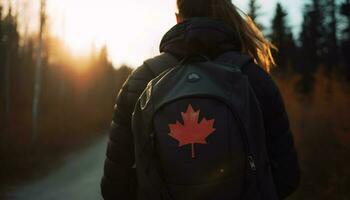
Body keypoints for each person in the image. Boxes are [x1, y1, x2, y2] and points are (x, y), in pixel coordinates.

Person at [101, 0, 300, 199]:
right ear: (219, 11)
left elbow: (113, 188)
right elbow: (287, 178)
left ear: (178, 18)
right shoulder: (253, 78)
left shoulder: (141, 80)